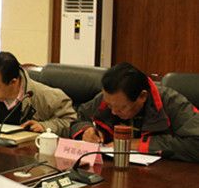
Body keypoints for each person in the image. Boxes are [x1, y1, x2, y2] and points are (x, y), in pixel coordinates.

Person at [71, 62, 199, 162]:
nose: (113, 112)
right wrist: (86, 130)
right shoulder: (109, 98)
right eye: (110, 106)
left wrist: (139, 144)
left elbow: (195, 144)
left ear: (142, 96)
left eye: (122, 108)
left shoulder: (172, 103)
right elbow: (78, 117)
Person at [0, 51, 77, 135]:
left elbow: (71, 122)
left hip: (30, 157)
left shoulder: (46, 96)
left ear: (13, 82)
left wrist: (45, 126)